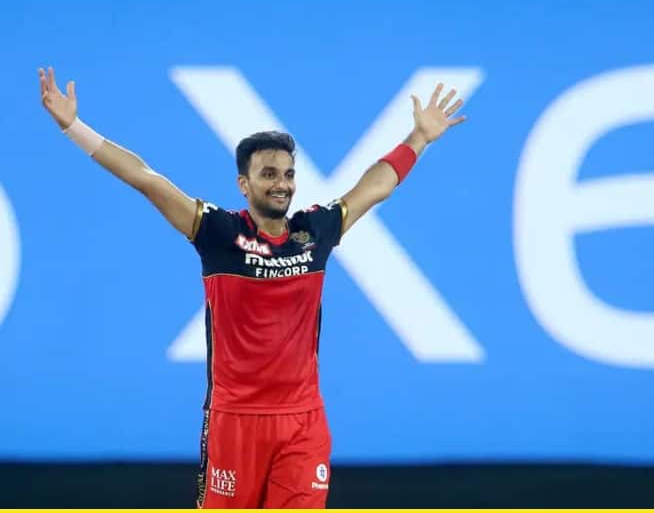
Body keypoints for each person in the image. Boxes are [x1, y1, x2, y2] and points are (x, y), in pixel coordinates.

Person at [38, 66, 467, 508]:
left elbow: (374, 188)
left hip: (302, 423)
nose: (282, 184)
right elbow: (145, 178)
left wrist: (419, 139)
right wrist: (74, 127)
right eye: (269, 174)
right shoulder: (218, 233)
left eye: (288, 174)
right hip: (234, 423)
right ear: (244, 184)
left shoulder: (314, 232)